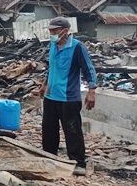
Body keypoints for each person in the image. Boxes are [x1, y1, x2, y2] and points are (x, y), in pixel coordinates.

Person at [34, 17, 97, 176]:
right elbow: (52, 68)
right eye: (50, 31)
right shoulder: (53, 46)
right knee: (49, 130)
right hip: (51, 97)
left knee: (72, 131)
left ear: (65, 31)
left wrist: (92, 91)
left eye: (54, 31)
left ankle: (78, 163)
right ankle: (49, 158)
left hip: (68, 98)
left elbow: (89, 69)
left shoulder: (77, 47)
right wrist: (44, 85)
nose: (51, 33)